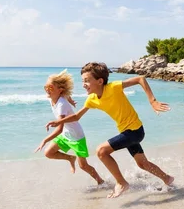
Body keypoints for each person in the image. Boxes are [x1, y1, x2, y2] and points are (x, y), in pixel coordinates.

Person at [45, 62, 174, 198]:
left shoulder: (113, 87)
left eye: (87, 81)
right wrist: (59, 121)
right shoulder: (92, 99)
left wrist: (152, 100)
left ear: (100, 81)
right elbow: (77, 116)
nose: (84, 84)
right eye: (83, 81)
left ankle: (121, 183)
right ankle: (167, 179)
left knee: (101, 151)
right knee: (142, 164)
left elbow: (140, 78)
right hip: (126, 132)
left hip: (135, 131)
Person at [35, 69, 104, 185]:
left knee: (83, 166)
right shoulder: (53, 98)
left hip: (76, 137)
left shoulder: (61, 104)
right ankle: (70, 158)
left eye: (50, 87)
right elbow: (66, 95)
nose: (47, 89)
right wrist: (71, 100)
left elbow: (59, 128)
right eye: (46, 86)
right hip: (66, 134)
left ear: (59, 90)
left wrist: (45, 140)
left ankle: (100, 181)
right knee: (48, 153)